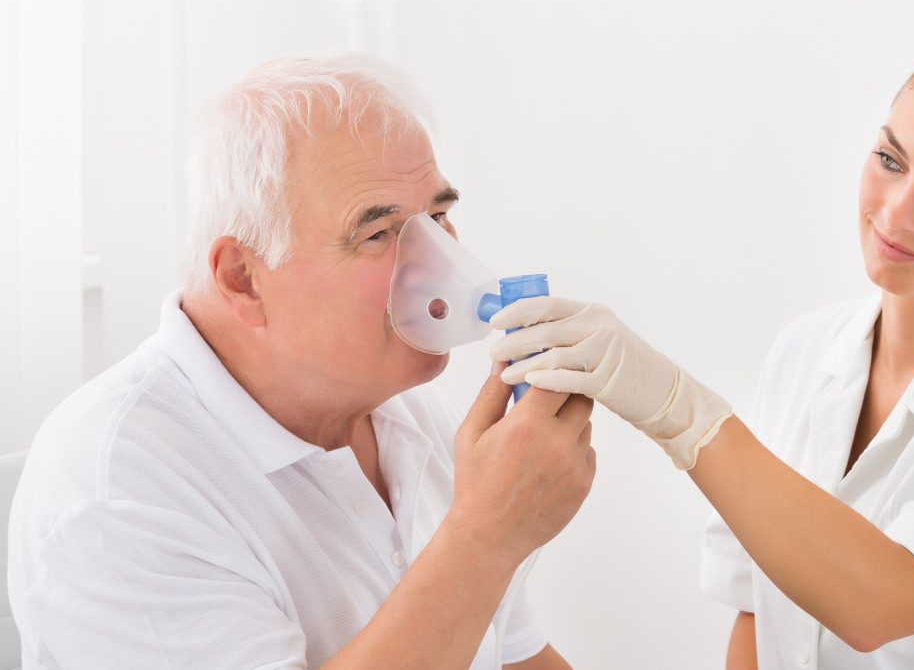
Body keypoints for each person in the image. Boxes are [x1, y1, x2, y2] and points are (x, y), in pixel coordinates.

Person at [488, 34, 914, 669]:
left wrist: (676, 407)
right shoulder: (806, 350)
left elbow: (882, 601)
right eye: (890, 160)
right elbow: (756, 605)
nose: (896, 213)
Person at [8, 50, 595, 669]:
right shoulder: (120, 497)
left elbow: (515, 657)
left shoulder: (412, 414)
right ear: (243, 278)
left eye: (439, 215)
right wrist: (484, 538)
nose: (445, 266)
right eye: (378, 233)